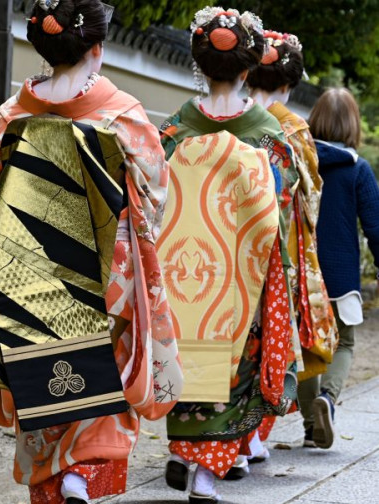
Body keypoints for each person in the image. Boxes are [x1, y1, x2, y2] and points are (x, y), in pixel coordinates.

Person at [0, 1, 182, 503]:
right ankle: (81, 475)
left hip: (28, 269)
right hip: (104, 269)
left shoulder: (12, 114)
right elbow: (155, 190)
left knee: (38, 370)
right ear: (98, 47)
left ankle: (54, 475)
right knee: (104, 374)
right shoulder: (122, 114)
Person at [158, 7, 298, 502]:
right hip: (243, 276)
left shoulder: (176, 128)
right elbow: (282, 201)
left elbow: (154, 194)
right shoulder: (268, 135)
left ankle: (181, 453)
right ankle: (205, 472)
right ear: (248, 69)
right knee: (235, 366)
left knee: (187, 354)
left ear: (200, 64)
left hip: (183, 274)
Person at [247, 30, 338, 448]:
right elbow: (310, 195)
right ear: (289, 83)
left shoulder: (229, 113)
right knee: (272, 334)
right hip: (280, 245)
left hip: (228, 239)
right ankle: (252, 437)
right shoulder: (293, 128)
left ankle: (221, 435)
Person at [298, 87, 379, 449]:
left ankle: (308, 425)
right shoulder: (357, 169)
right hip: (342, 275)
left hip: (301, 272)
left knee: (304, 347)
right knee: (344, 342)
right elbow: (375, 225)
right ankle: (327, 400)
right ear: (353, 125)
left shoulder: (298, 161)